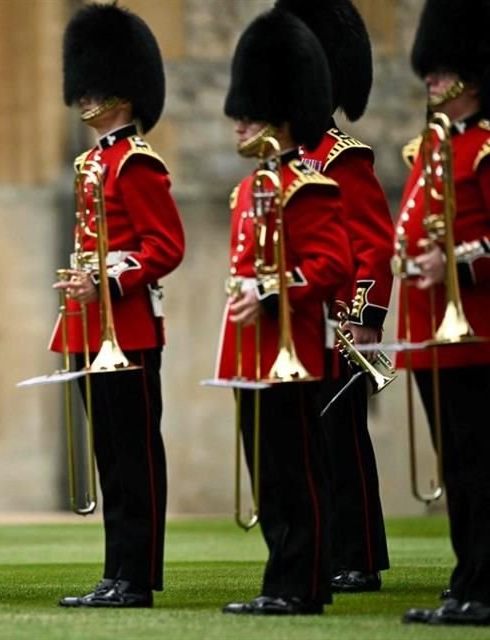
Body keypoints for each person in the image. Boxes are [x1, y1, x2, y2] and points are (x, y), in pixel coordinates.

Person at [216, 8, 352, 615]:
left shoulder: (312, 185)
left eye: (248, 113)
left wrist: (270, 293)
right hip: (252, 350)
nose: (238, 122)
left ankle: (305, 583)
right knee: (268, 474)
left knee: (298, 473)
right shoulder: (250, 189)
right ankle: (281, 579)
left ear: (280, 112)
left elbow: (334, 266)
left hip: (295, 346)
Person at [53, 3, 185, 609]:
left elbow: (166, 246)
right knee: (111, 456)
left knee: (133, 457)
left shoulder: (136, 163)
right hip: (90, 326)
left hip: (127, 328)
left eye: (98, 90)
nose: (85, 100)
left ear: (125, 97)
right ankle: (116, 572)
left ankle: (136, 575)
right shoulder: (91, 164)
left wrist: (107, 278)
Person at [275, 0, 394, 594]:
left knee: (340, 442)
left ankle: (359, 555)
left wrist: (364, 318)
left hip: (340, 326)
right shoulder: (286, 161)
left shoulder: (341, 157)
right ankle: (321, 550)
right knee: (303, 448)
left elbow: (373, 244)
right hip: (294, 326)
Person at [397, 0, 490, 627]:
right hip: (435, 333)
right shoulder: (434, 149)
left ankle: (483, 586)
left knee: (481, 465)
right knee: (457, 466)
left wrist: (455, 263)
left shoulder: (483, 148)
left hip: (479, 332)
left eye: (441, 69)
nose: (430, 78)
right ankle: (468, 580)